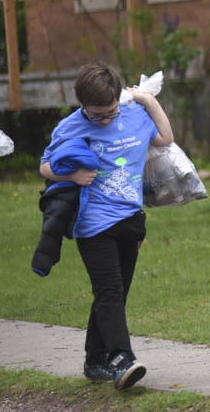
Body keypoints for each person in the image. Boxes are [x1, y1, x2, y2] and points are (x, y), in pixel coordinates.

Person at [39, 62, 174, 390]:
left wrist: (146, 100)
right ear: (81, 103)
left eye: (110, 112)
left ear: (118, 97)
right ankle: (121, 359)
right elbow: (45, 167)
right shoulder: (70, 127)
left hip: (130, 219)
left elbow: (166, 137)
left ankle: (94, 359)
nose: (104, 120)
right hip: (93, 223)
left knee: (115, 293)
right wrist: (71, 175)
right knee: (109, 290)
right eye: (96, 114)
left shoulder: (133, 116)